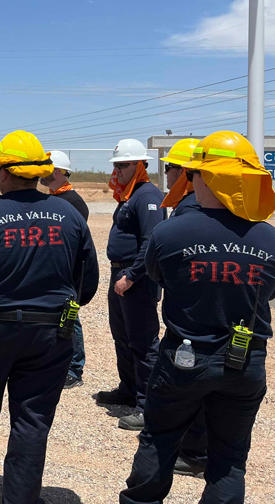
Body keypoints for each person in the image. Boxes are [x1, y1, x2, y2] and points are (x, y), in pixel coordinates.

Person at [120, 130, 275, 504]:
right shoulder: (268, 239)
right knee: (229, 459)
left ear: (204, 178)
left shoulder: (170, 233)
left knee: (159, 439)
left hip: (183, 360)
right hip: (246, 362)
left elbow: (158, 277)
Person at [0, 132, 99, 503]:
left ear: (4, 172)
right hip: (51, 334)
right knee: (32, 422)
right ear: (38, 173)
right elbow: (87, 285)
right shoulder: (69, 214)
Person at [97, 138, 164, 431]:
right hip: (121, 274)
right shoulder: (130, 194)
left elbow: (151, 241)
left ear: (140, 165)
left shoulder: (148, 195)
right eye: (117, 165)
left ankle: (147, 405)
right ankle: (128, 390)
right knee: (122, 337)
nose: (119, 170)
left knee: (143, 342)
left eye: (124, 165)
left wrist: (133, 276)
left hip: (136, 278)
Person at [159, 137, 208, 478]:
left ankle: (192, 452)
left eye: (171, 168)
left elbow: (158, 267)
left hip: (193, 319)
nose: (167, 174)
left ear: (188, 173)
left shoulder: (190, 209)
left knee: (188, 385)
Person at [41, 150, 90, 389]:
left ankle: (75, 368)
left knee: (72, 318)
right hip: (53, 270)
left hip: (67, 271)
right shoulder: (53, 199)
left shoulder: (74, 202)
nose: (42, 174)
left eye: (47, 170)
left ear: (58, 172)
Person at [160, 138, 202, 217]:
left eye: (168, 167)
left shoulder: (190, 207)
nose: (165, 172)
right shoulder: (196, 200)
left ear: (182, 171)